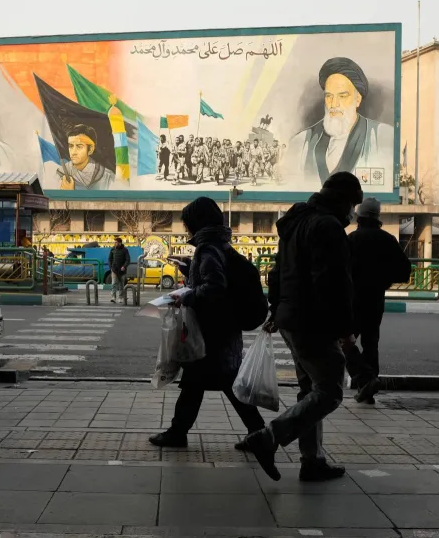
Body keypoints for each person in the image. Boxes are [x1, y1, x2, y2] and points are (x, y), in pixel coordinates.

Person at [244, 172, 364, 482]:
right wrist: (345, 332)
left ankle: (312, 460)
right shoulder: (328, 227)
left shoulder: (295, 223)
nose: (353, 212)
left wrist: (276, 307)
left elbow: (277, 271)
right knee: (330, 392)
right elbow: (334, 284)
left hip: (291, 318)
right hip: (314, 322)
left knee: (310, 389)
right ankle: (269, 438)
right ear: (342, 200)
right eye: (352, 204)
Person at [149, 197, 265, 448]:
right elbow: (214, 277)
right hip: (224, 328)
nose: (186, 229)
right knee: (203, 382)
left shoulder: (207, 248)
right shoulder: (220, 245)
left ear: (196, 223)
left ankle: (180, 432)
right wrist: (190, 268)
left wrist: (187, 295)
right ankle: (257, 432)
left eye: (187, 223)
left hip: (213, 331)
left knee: (207, 382)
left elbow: (214, 286)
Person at [284, 57, 395, 185]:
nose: (334, 104)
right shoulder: (301, 142)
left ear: (357, 99)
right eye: (329, 96)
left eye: (342, 96)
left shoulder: (382, 137)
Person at [345, 197, 411, 404]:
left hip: (352, 299)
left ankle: (364, 379)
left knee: (345, 342)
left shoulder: (351, 239)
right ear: (378, 217)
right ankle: (369, 388)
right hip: (375, 299)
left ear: (359, 216)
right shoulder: (388, 240)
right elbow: (404, 271)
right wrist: (384, 280)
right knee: (371, 343)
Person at [60, 125, 115, 190]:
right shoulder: (60, 173)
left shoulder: (107, 176)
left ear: (91, 149)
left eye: (79, 146)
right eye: (71, 146)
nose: (73, 152)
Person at [108, 237, 131, 303]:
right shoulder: (112, 249)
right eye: (114, 242)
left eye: (116, 242)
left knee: (121, 284)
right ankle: (113, 297)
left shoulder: (125, 250)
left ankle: (121, 297)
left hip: (122, 271)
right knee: (114, 284)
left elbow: (128, 260)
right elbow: (109, 259)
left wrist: (124, 266)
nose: (115, 243)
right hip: (114, 270)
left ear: (120, 243)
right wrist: (111, 267)